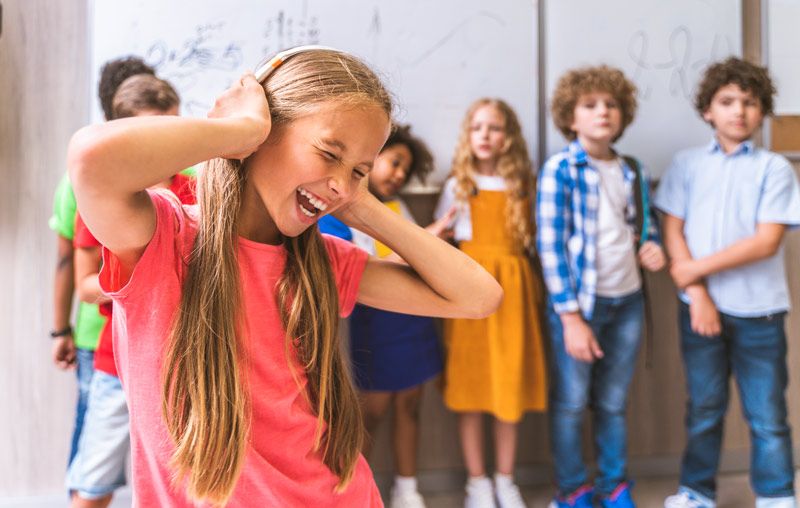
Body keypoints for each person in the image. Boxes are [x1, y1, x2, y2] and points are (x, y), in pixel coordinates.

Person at [67, 46, 502, 507]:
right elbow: (92, 160)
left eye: (359, 169)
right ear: (263, 136)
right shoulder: (165, 240)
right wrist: (238, 130)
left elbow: (478, 297)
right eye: (329, 152)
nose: (341, 181)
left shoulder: (322, 261)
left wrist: (360, 202)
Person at [657, 57, 800, 508]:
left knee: (767, 415)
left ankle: (776, 495)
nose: (739, 110)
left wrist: (694, 271)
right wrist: (697, 294)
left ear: (761, 112)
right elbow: (673, 229)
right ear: (708, 110)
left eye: (750, 102)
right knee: (703, 409)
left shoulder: (775, 168)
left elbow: (764, 242)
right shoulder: (686, 165)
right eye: (727, 101)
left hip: (760, 313)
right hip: (700, 310)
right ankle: (696, 491)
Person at [537, 65, 665, 508]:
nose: (603, 112)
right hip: (580, 308)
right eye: (590, 105)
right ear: (571, 118)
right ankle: (572, 489)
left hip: (626, 302)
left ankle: (614, 485)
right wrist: (571, 319)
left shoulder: (632, 169)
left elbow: (641, 228)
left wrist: (652, 246)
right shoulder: (561, 169)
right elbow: (550, 247)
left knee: (612, 403)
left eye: (611, 104)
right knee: (572, 403)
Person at [67, 73, 196, 508]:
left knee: (186, 484)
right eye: (150, 135)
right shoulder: (104, 198)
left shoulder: (195, 190)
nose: (164, 148)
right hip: (115, 364)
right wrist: (141, 272)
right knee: (94, 483)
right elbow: (85, 286)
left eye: (172, 131)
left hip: (185, 364)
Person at [319, 124, 452, 508]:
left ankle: (407, 491)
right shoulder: (340, 213)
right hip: (373, 328)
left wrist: (425, 242)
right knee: (371, 415)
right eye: (394, 163)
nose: (398, 175)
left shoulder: (397, 208)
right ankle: (356, 494)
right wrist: (426, 242)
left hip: (413, 321)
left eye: (405, 172)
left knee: (410, 406)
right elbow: (360, 273)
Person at [434, 98, 547, 508]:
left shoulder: (522, 186)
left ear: (509, 137)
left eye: (495, 128)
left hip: (513, 297)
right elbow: (440, 243)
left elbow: (534, 241)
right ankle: (477, 483)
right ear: (468, 135)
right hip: (468, 295)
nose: (485, 135)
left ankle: (505, 479)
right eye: (477, 127)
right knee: (471, 387)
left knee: (507, 388)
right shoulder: (458, 186)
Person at [49, 56, 156, 467]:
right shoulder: (84, 178)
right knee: (95, 452)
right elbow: (71, 262)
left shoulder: (181, 175)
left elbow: (61, 261)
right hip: (101, 337)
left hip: (120, 336)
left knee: (99, 448)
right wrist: (62, 329)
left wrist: (60, 329)